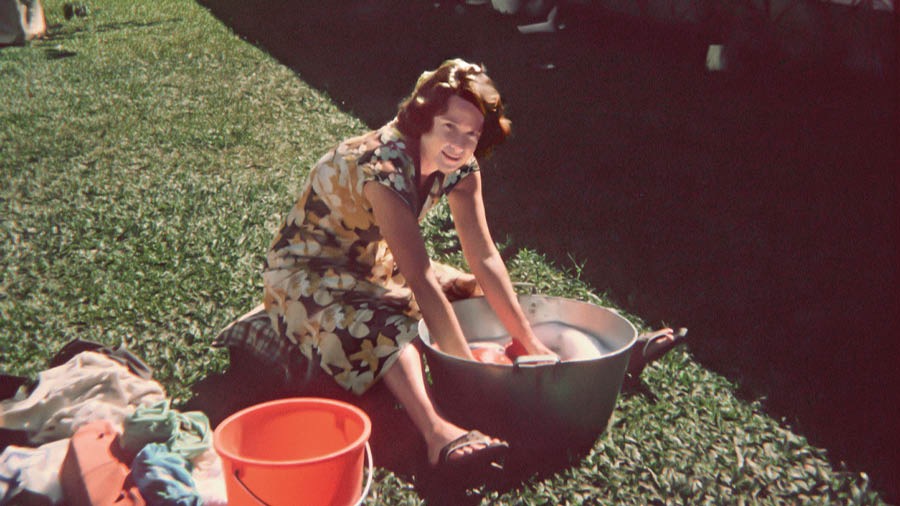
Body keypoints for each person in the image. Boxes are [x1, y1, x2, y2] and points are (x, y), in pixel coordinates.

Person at [262, 59, 557, 475]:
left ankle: (569, 362)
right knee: (389, 327)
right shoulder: (383, 167)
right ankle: (439, 434)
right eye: (448, 127)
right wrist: (468, 375)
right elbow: (419, 277)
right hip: (309, 274)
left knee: (472, 287)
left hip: (374, 262)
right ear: (423, 119)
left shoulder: (462, 168)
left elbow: (486, 257)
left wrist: (529, 343)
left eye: (471, 134)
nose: (458, 143)